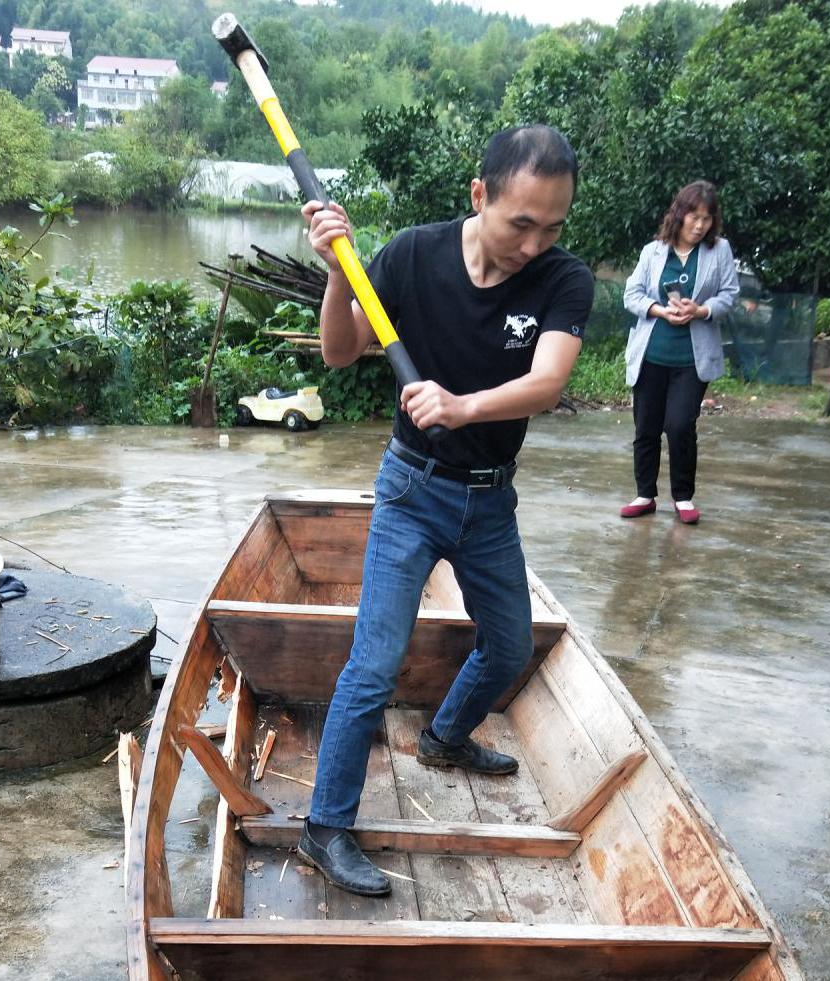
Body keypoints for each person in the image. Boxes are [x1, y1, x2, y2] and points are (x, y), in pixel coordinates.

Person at [297, 124, 594, 897]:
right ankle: (324, 828)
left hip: (490, 498)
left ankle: (444, 736)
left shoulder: (562, 280)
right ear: (480, 195)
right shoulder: (412, 254)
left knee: (508, 646)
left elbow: (547, 382)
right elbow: (337, 352)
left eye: (552, 225)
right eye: (519, 222)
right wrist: (338, 272)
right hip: (411, 490)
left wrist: (462, 406)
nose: (534, 243)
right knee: (372, 664)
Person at [620, 180, 739, 525]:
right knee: (646, 426)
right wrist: (659, 310)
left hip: (692, 357)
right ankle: (645, 495)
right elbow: (632, 295)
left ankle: (683, 498)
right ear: (680, 215)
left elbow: (730, 295)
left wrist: (700, 310)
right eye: (694, 216)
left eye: (707, 218)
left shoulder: (720, 251)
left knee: (680, 424)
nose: (700, 225)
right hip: (651, 352)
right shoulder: (653, 251)